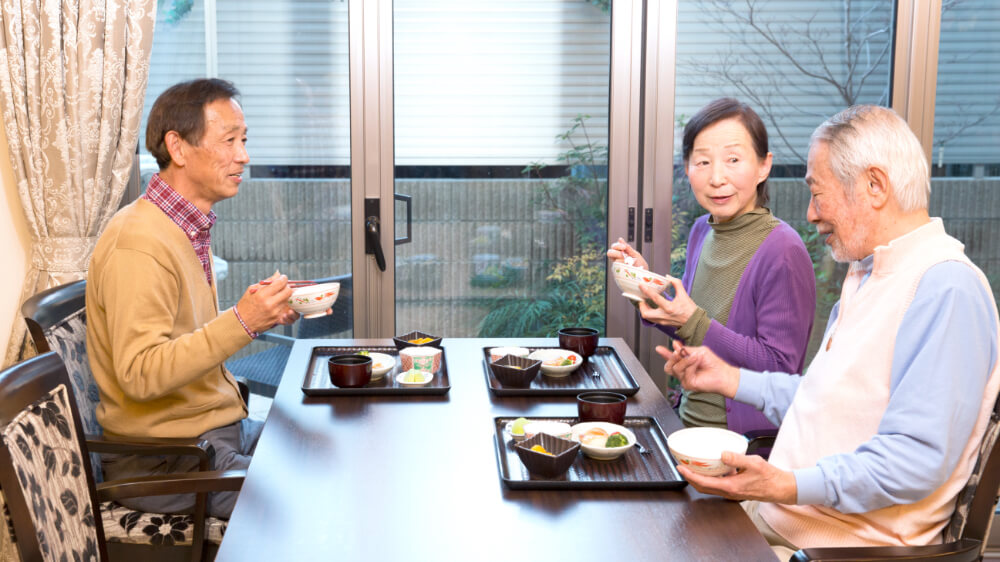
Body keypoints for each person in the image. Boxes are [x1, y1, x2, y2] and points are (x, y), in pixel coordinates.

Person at [659, 104, 1000, 559]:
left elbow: (916, 461)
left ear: (874, 186)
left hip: (836, 548)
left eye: (818, 194)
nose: (812, 213)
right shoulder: (871, 276)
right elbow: (828, 399)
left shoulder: (945, 288)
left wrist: (785, 483)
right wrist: (730, 380)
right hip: (782, 522)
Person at [86, 78, 301, 518]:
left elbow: (184, 333)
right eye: (229, 141)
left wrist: (257, 312)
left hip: (212, 433)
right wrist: (241, 321)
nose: (243, 155)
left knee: (321, 451)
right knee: (309, 496)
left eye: (244, 140)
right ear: (178, 148)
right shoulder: (139, 243)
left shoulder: (184, 226)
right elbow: (140, 373)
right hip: (166, 461)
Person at [607, 97, 816, 434]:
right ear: (687, 167)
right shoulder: (703, 230)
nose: (717, 177)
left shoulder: (784, 250)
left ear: (764, 165)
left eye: (733, 159)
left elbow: (780, 370)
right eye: (702, 162)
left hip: (743, 445)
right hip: (687, 423)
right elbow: (689, 326)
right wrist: (640, 283)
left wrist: (693, 320)